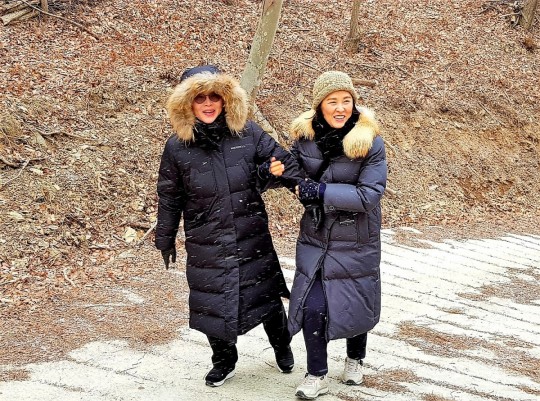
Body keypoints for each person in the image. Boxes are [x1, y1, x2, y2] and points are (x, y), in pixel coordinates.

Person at [155, 65, 303, 387]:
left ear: (225, 100)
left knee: (265, 296)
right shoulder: (176, 148)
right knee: (213, 303)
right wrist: (164, 238)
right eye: (200, 98)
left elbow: (284, 164)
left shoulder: (247, 133)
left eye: (214, 96)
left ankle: (282, 346)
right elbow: (169, 196)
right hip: (206, 239)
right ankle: (224, 361)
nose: (208, 104)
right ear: (187, 103)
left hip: (250, 234)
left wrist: (301, 190)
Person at [287, 71, 387, 399]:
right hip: (316, 236)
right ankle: (316, 373)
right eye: (333, 101)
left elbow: (369, 195)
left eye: (347, 100)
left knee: (355, 302)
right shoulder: (305, 139)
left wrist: (320, 191)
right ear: (320, 105)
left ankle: (355, 359)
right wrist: (275, 174)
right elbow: (294, 175)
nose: (341, 108)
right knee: (313, 305)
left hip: (357, 237)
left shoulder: (370, 142)